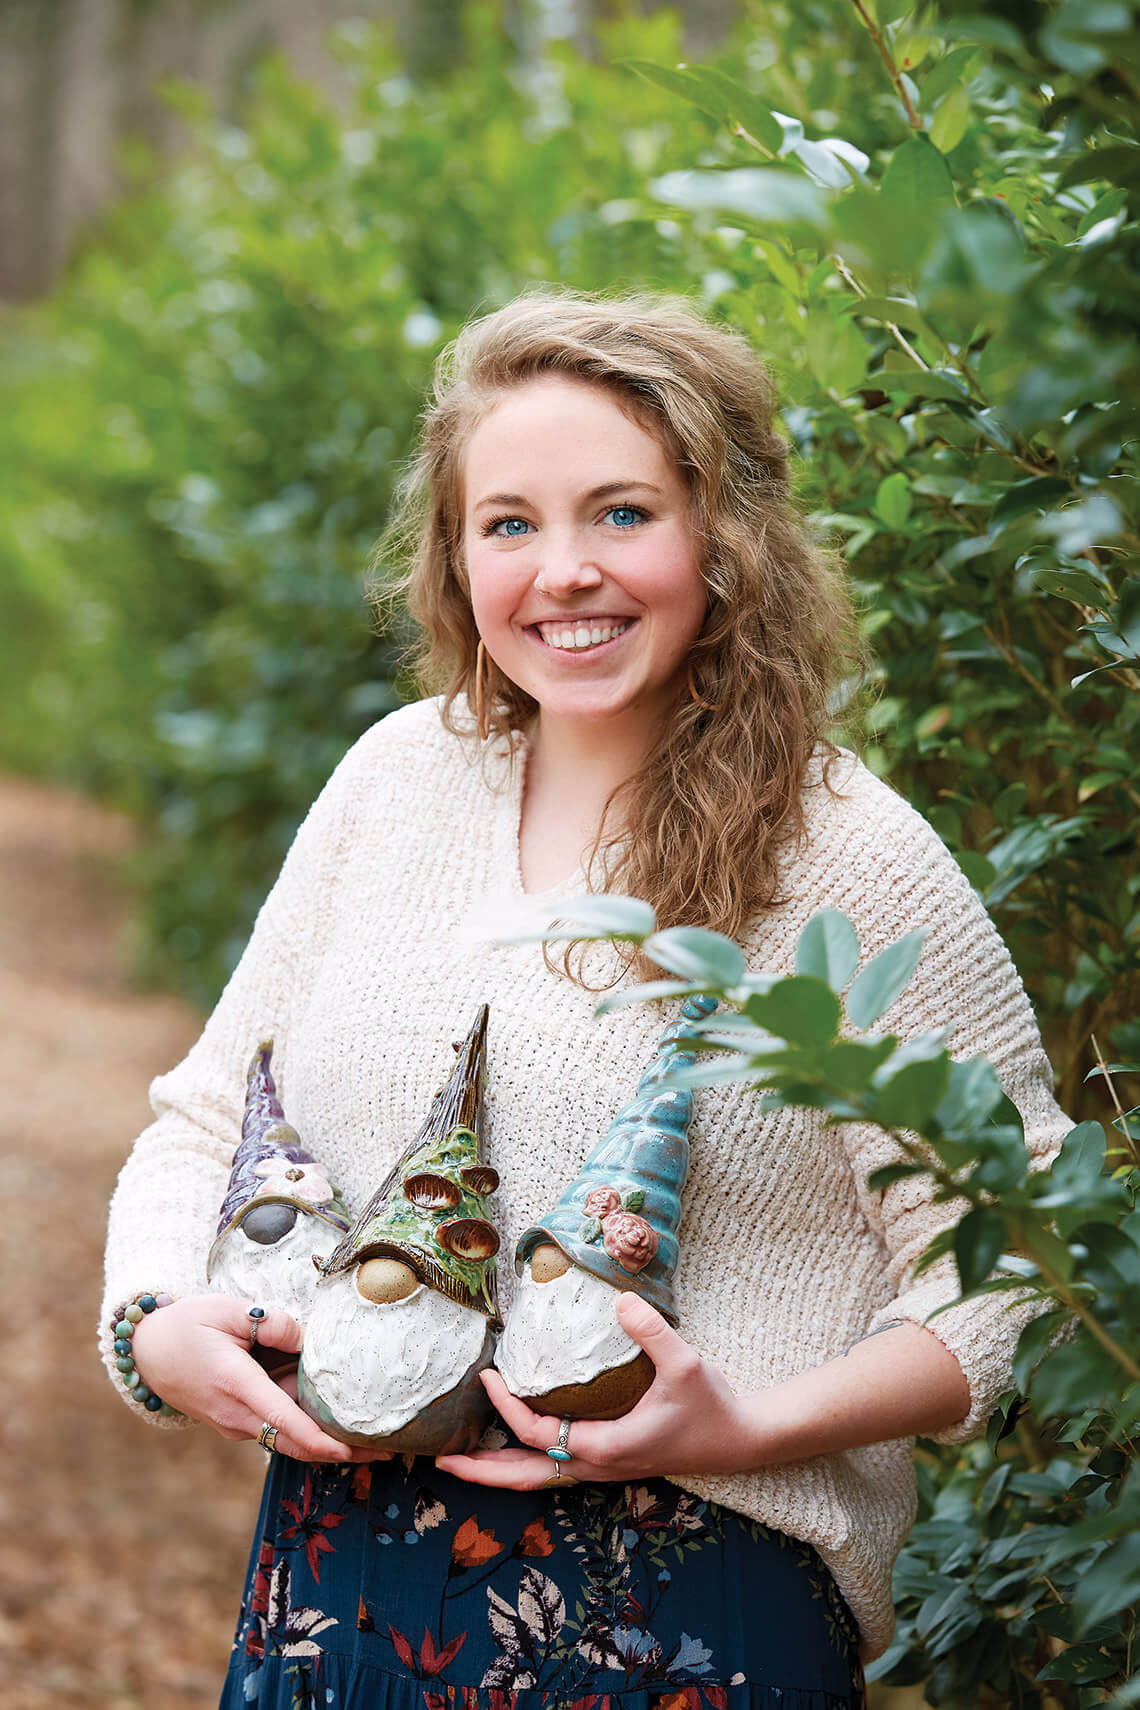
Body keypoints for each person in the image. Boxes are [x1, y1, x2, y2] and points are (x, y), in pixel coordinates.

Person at [100, 289, 1071, 1710]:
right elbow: (203, 1116)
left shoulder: (850, 854)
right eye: (510, 523)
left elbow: (1020, 1255)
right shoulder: (395, 781)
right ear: (455, 556)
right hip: (330, 1600)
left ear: (725, 537)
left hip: (682, 1616)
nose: (563, 571)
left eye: (622, 512)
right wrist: (151, 1323)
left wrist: (747, 1422)